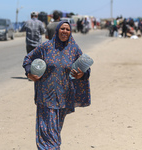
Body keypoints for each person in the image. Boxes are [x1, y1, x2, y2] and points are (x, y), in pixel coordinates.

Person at [22, 21, 91, 150]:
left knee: (54, 130)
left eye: (68, 29)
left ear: (70, 32)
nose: (65, 31)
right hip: (45, 97)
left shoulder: (74, 49)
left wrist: (82, 74)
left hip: (64, 97)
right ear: (57, 30)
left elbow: (85, 68)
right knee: (48, 133)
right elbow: (28, 59)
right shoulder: (46, 47)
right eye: (62, 28)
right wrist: (29, 73)